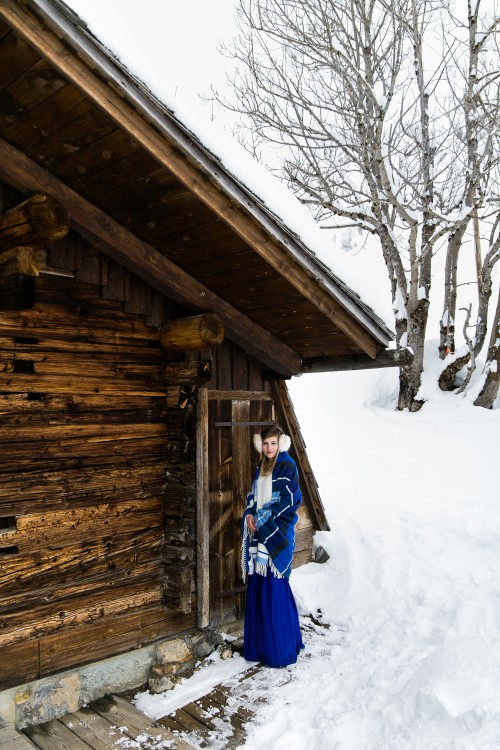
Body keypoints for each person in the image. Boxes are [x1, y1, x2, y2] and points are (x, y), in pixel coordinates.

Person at [241, 425, 305, 668]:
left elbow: (290, 501)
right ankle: (260, 648)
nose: (269, 448)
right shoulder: (261, 467)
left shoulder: (287, 466)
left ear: (281, 444)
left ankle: (280, 650)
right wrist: (249, 513)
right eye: (266, 444)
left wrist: (263, 517)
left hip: (277, 536)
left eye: (273, 443)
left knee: (275, 590)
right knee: (260, 589)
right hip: (259, 538)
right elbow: (253, 496)